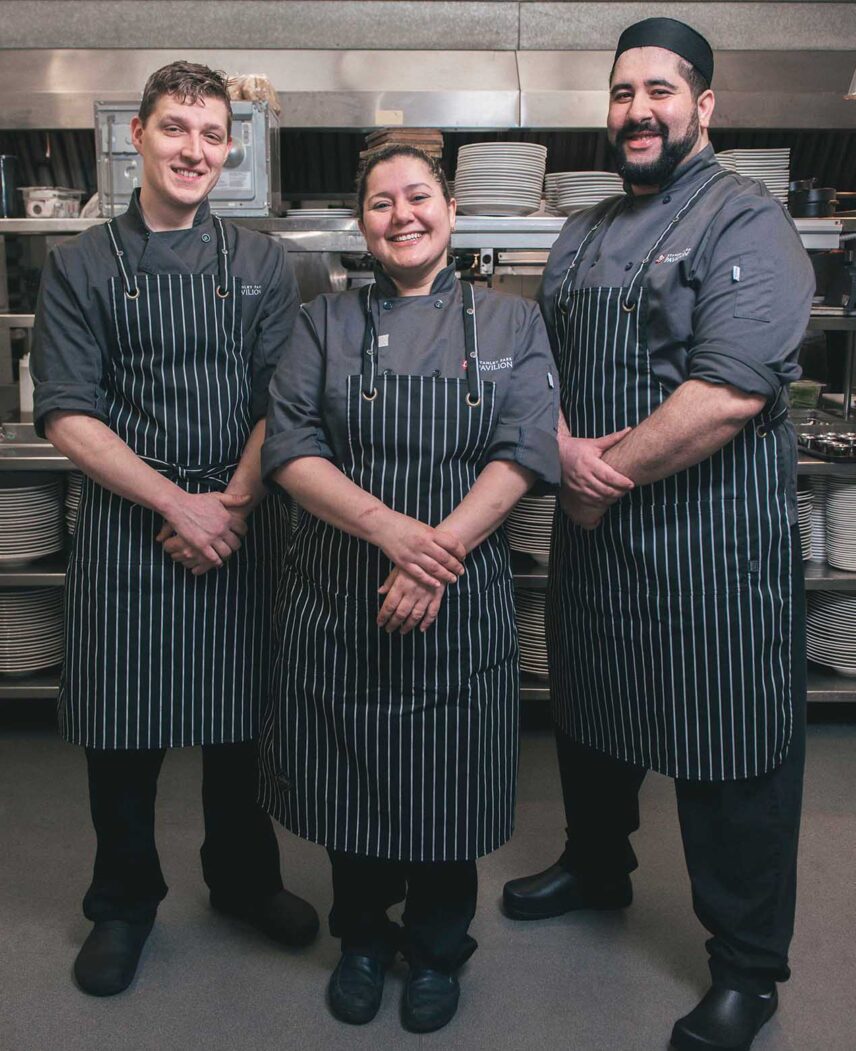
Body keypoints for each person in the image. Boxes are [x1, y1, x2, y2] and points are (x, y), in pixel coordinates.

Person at [502, 18, 814, 1051]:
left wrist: (594, 479)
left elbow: (727, 391)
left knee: (731, 755)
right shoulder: (583, 230)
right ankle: (599, 867)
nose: (637, 110)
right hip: (600, 546)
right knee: (590, 715)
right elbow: (534, 363)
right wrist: (560, 449)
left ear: (704, 107)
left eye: (660, 91)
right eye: (622, 91)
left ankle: (746, 971)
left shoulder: (746, 219)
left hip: (708, 546)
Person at [31, 61, 318, 997]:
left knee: (241, 729)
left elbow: (284, 397)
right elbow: (69, 413)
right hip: (130, 529)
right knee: (123, 735)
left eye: (210, 134)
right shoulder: (78, 265)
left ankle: (242, 883)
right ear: (138, 138)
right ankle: (122, 902)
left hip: (239, 519)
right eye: (173, 130)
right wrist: (174, 503)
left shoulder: (261, 262)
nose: (193, 150)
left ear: (228, 147)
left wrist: (229, 502)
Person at [258, 144, 559, 1033]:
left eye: (418, 196)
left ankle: (435, 947)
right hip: (344, 592)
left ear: (452, 211)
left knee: (446, 792)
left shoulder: (512, 324)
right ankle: (360, 936)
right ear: (364, 225)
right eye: (382, 202)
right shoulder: (323, 323)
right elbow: (291, 450)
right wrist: (394, 535)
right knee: (352, 785)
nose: (402, 214)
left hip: (458, 600)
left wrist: (439, 554)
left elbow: (527, 449)